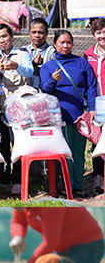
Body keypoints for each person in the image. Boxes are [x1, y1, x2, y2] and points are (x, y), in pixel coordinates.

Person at [40, 30, 97, 197]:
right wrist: (52, 80)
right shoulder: (48, 67)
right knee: (66, 153)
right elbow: (45, 90)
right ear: (55, 44)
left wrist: (92, 108)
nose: (65, 46)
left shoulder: (82, 63)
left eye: (69, 42)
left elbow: (91, 87)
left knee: (79, 153)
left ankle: (78, 187)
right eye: (62, 42)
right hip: (60, 117)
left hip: (80, 116)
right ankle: (66, 186)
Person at [0, 24, 37, 194]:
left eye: (4, 36)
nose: (2, 40)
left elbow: (30, 72)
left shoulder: (23, 55)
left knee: (18, 145)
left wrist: (16, 66)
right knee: (1, 145)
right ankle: (2, 178)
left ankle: (17, 180)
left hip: (19, 111)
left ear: (12, 36)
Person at [9, 207, 104, 263]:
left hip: (87, 245)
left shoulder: (50, 205)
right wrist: (17, 235)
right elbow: (19, 221)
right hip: (63, 248)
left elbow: (50, 243)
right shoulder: (21, 204)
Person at [88, 18, 105, 192]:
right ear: (93, 35)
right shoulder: (88, 54)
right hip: (96, 104)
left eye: (104, 31)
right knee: (97, 141)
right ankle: (98, 177)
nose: (102, 35)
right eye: (99, 32)